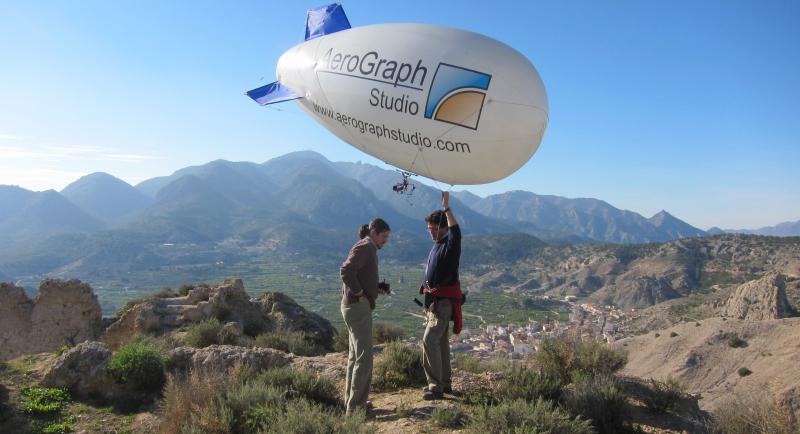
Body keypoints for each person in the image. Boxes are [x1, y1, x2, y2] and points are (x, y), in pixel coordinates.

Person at [340, 218, 391, 415]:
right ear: (374, 232)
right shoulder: (367, 246)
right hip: (357, 308)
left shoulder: (367, 247)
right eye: (384, 236)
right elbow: (346, 271)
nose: (385, 241)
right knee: (365, 358)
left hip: (354, 307)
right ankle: (356, 409)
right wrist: (361, 294)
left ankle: (352, 403)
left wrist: (375, 289)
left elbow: (357, 274)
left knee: (355, 357)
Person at [419, 191, 463, 400]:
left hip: (443, 303)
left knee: (429, 340)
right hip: (436, 303)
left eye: (435, 229)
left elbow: (457, 232)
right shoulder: (438, 244)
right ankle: (445, 384)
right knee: (441, 344)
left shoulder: (450, 244)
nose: (431, 233)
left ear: (444, 227)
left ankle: (435, 386)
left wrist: (447, 208)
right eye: (429, 229)